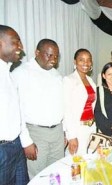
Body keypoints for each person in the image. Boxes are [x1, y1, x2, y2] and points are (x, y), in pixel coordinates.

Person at [11, 39, 64, 179]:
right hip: (36, 133)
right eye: (49, 55)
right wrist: (26, 141)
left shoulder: (56, 75)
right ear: (37, 52)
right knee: (38, 177)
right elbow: (16, 110)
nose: (53, 59)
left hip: (57, 132)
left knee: (57, 174)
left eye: (56, 56)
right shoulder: (21, 73)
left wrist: (63, 132)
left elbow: (60, 105)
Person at [0, 25, 29, 185]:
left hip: (16, 146)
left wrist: (25, 141)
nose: (21, 47)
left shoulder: (9, 75)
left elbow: (17, 113)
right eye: (16, 42)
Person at [63, 48, 97, 155]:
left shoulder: (90, 80)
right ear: (75, 62)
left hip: (91, 127)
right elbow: (66, 110)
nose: (85, 63)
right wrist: (71, 136)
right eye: (81, 60)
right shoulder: (68, 80)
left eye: (88, 60)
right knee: (77, 163)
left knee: (91, 161)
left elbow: (92, 106)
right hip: (78, 129)